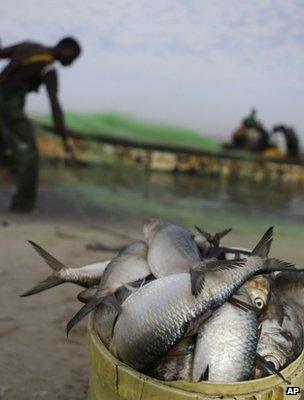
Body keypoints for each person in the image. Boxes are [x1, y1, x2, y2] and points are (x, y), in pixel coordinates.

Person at [0, 37, 81, 212]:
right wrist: (64, 136)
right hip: (8, 106)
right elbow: (54, 103)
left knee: (7, 149)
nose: (71, 63)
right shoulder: (48, 68)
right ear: (65, 49)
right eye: (72, 58)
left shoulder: (28, 46)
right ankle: (23, 205)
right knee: (28, 155)